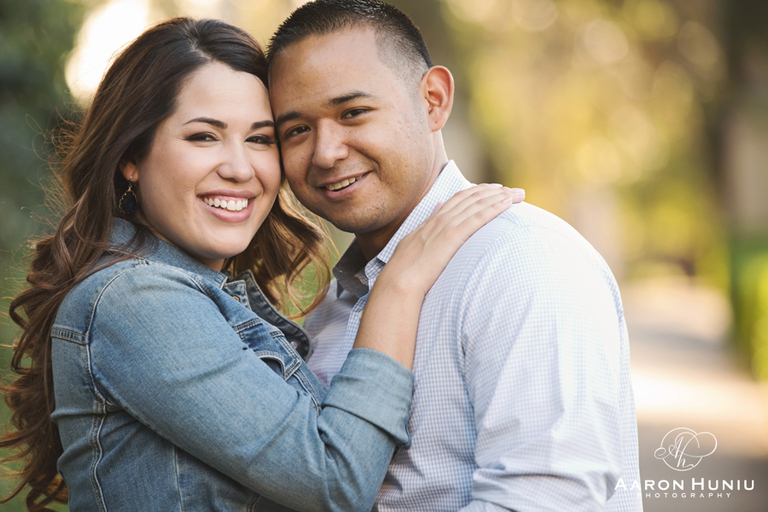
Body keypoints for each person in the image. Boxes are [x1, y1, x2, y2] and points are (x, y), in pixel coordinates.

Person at [0, 17, 523, 512]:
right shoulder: (133, 300)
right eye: (203, 136)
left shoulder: (203, 296)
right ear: (131, 158)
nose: (239, 168)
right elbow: (335, 481)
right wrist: (400, 282)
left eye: (261, 138)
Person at [267, 0, 643, 510]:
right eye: (296, 130)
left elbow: (545, 499)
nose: (326, 152)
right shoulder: (330, 309)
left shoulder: (523, 264)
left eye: (352, 112)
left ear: (434, 100)